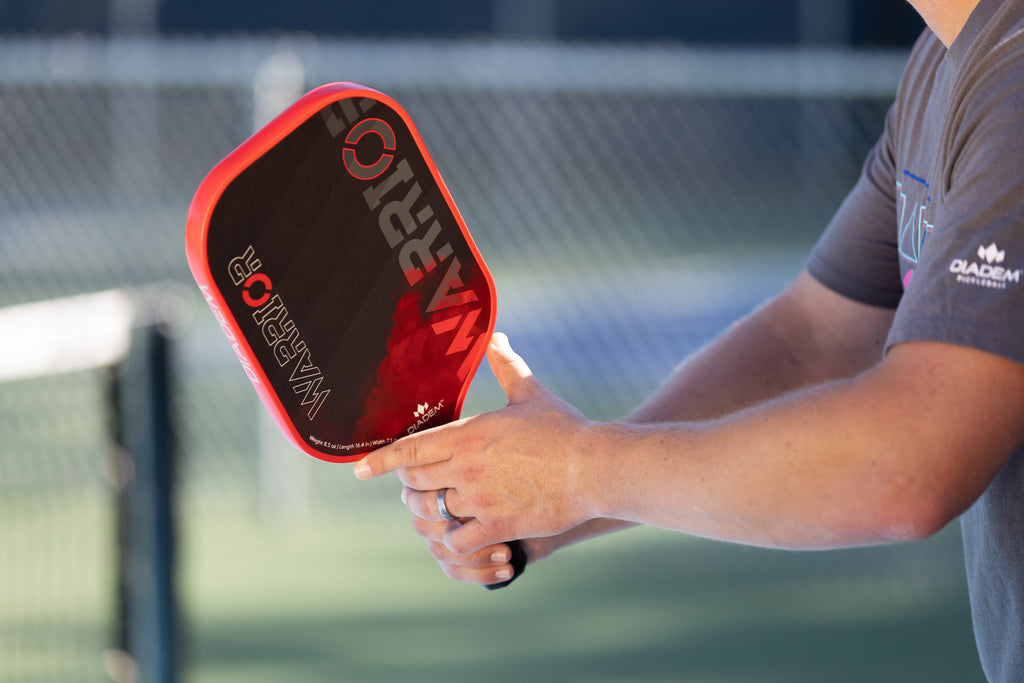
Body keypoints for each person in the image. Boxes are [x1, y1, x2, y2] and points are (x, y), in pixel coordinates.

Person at [353, 0, 1024, 678]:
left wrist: (581, 469)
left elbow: (907, 462)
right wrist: (552, 506)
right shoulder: (943, 63)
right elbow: (809, 338)